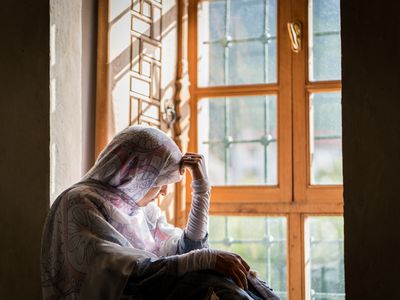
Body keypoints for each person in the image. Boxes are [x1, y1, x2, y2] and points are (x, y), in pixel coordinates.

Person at [40, 125, 278, 299]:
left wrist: (202, 192)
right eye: (160, 181)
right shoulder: (78, 202)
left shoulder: (142, 211)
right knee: (213, 283)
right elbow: (124, 276)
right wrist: (206, 260)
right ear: (135, 173)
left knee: (244, 279)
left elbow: (189, 252)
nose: (164, 192)